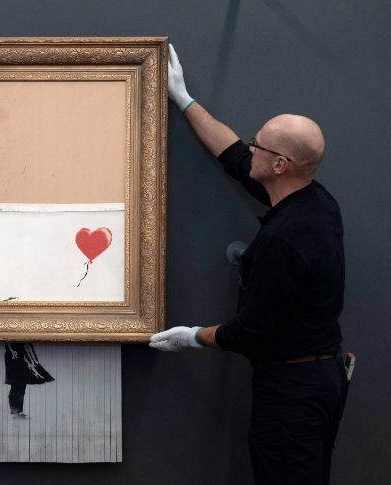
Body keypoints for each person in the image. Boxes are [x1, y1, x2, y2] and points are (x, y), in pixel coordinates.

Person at [150, 45, 348, 485]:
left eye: (259, 143)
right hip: (321, 379)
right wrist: (184, 99)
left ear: (279, 164)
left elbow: (250, 332)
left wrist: (190, 337)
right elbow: (234, 155)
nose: (250, 146)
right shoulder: (315, 201)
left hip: (292, 392)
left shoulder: (283, 240)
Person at [4, 343, 54, 418]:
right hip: (14, 357)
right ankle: (15, 410)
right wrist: (12, 351)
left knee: (21, 385)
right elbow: (8, 342)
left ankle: (17, 410)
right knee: (16, 385)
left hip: (22, 357)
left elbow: (27, 346)